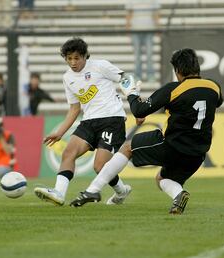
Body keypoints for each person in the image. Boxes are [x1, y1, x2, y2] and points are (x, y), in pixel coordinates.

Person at [70, 48, 223, 215]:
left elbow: (139, 110)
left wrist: (132, 93)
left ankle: (93, 189)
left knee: (128, 147)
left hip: (173, 144)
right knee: (163, 179)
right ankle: (179, 195)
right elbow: (214, 102)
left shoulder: (174, 89)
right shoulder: (213, 87)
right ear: (197, 67)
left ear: (177, 70)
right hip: (198, 152)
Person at [34, 37, 143, 206]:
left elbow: (125, 77)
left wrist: (137, 103)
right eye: (69, 59)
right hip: (88, 122)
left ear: (85, 56)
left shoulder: (100, 66)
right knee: (68, 153)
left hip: (112, 120)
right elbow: (74, 109)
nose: (73, 62)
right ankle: (59, 193)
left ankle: (121, 191)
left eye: (76, 58)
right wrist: (59, 132)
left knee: (100, 167)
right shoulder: (67, 78)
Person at [125, 0, 160, 82]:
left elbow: (156, 14)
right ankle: (138, 75)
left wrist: (158, 27)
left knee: (149, 54)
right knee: (137, 54)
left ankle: (150, 75)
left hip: (149, 29)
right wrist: (127, 28)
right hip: (135, 29)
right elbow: (129, 13)